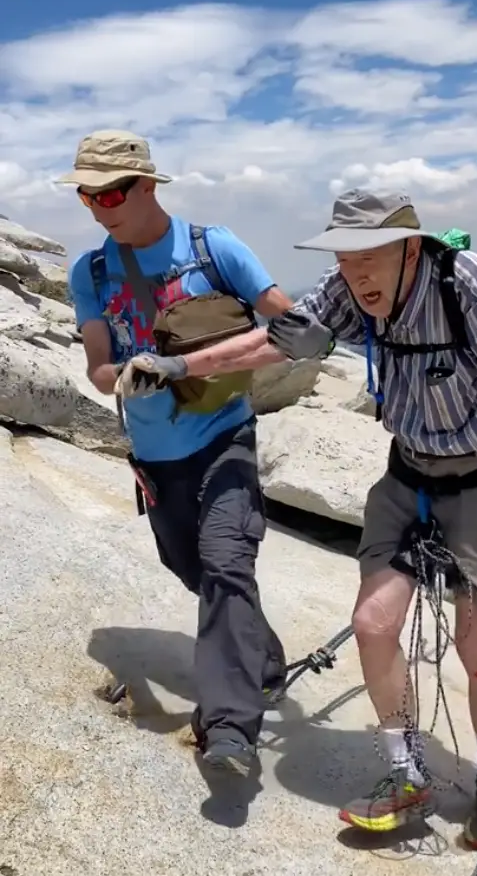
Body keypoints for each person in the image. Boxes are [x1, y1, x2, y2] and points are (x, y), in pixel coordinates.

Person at [115, 189, 477, 851]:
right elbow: (277, 342)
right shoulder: (351, 288)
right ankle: (407, 775)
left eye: (371, 257)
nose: (357, 276)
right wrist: (180, 364)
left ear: (412, 248)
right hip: (410, 475)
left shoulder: (470, 285)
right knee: (373, 624)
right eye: (346, 260)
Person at [63, 129, 293, 777]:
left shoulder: (213, 248)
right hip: (155, 457)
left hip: (225, 439)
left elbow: (289, 322)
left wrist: (199, 362)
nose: (97, 206)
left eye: (109, 192)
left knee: (226, 562)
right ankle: (260, 655)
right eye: (87, 195)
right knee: (194, 569)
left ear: (146, 186)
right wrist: (124, 376)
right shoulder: (92, 272)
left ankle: (228, 729)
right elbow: (97, 367)